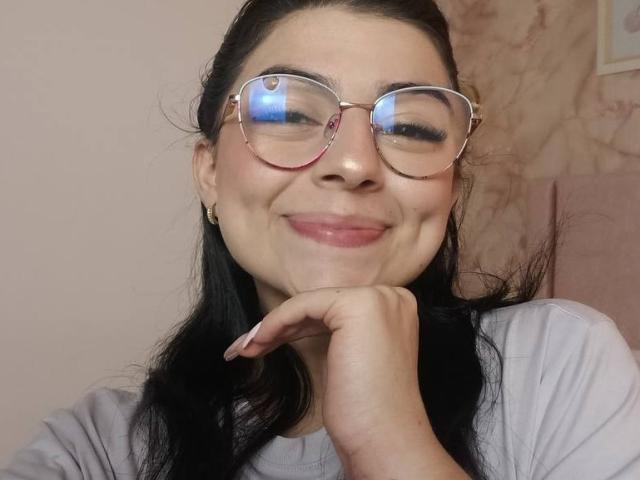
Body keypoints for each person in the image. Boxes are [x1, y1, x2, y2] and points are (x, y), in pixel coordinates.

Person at [2, 1, 640, 479]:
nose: (355, 163)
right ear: (210, 173)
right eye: (286, 112)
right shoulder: (104, 449)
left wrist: (390, 443)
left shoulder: (556, 367)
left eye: (412, 127)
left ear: (449, 187)